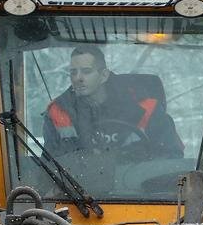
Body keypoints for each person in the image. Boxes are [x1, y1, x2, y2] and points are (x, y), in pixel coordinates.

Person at [43, 45, 184, 157]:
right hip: (75, 191)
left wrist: (131, 156)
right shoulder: (58, 112)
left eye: (86, 71)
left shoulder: (147, 109)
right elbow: (50, 166)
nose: (78, 78)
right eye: (73, 72)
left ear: (104, 75)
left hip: (138, 190)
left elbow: (171, 158)